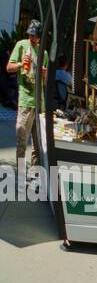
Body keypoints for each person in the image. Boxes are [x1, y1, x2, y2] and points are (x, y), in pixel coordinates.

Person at [6, 20, 48, 179]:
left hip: (40, 104)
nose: (33, 38)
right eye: (31, 35)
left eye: (35, 36)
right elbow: (8, 67)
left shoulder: (43, 53)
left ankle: (33, 176)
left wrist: (44, 74)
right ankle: (21, 175)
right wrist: (19, 64)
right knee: (22, 143)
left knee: (38, 145)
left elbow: (44, 82)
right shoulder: (21, 45)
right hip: (25, 101)